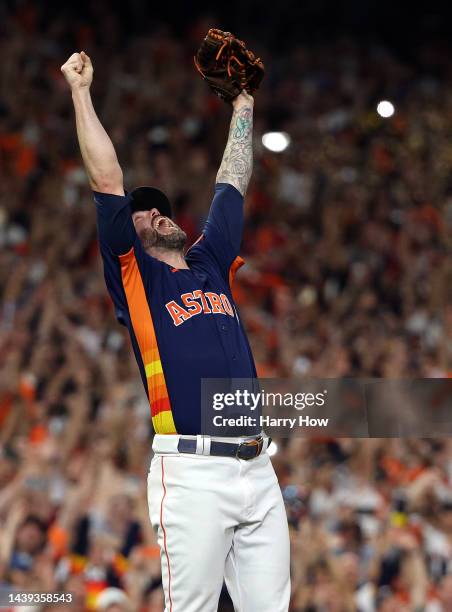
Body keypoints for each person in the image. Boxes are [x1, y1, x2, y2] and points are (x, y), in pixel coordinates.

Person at [60, 50, 290, 612]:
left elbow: (232, 181)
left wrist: (243, 104)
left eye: (160, 207)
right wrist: (81, 93)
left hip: (257, 466)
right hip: (190, 473)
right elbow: (107, 178)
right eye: (144, 213)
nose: (157, 213)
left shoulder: (210, 262)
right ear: (129, 233)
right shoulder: (136, 278)